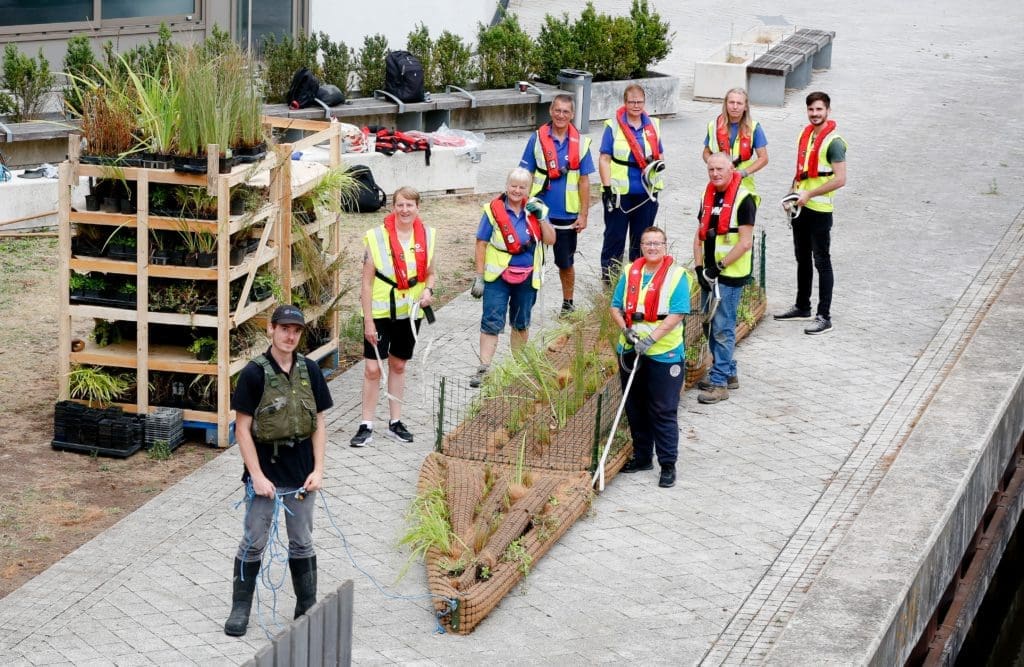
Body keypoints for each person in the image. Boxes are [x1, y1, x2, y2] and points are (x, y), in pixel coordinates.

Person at [224, 304, 334, 637]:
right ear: (271, 330)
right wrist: (255, 475)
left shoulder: (310, 370)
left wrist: (319, 469)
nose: (290, 336)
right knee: (253, 541)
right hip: (266, 472)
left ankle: (306, 604)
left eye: (296, 330)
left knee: (301, 541)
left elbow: (318, 423)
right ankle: (240, 608)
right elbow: (242, 429)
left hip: (301, 472)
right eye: (284, 328)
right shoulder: (254, 373)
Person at [350, 186, 437, 446]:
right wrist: (367, 320)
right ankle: (366, 424)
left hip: (409, 312)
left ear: (417, 208)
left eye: (410, 205)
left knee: (398, 365)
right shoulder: (377, 238)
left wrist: (429, 291)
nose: (405, 209)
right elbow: (365, 283)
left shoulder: (428, 237)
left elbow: (431, 272)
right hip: (379, 312)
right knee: (372, 367)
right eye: (400, 204)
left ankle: (395, 421)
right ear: (393, 207)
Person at [609, 226, 689, 488]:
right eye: (647, 243)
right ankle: (643, 456)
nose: (652, 247)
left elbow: (677, 314)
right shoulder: (631, 271)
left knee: (663, 409)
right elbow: (616, 306)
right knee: (634, 406)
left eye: (657, 243)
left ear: (665, 246)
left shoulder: (677, 276)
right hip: (631, 349)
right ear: (641, 246)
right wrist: (626, 330)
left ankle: (668, 464)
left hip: (663, 352)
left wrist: (651, 340)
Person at [469, 167, 556, 387]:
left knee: (521, 323)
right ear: (506, 186)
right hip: (498, 278)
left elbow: (551, 240)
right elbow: (481, 243)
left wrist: (543, 218)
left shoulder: (536, 209)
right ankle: (484, 368)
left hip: (527, 278)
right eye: (513, 186)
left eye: (522, 187)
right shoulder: (492, 210)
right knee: (491, 321)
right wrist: (479, 276)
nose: (517, 190)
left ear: (529, 189)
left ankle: (519, 369)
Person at [774, 91, 848, 335]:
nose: (815, 114)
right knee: (802, 259)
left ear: (828, 110)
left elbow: (840, 179)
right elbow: (801, 172)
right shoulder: (805, 135)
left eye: (819, 109)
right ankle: (802, 306)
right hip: (801, 208)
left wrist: (810, 195)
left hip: (819, 210)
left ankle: (824, 316)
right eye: (811, 110)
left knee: (822, 262)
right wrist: (791, 195)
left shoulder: (834, 142)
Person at [519, 93, 595, 316]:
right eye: (557, 110)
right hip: (537, 212)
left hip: (567, 215)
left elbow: (584, 180)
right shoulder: (536, 139)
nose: (561, 115)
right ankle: (526, 302)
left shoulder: (581, 143)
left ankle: (568, 303)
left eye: (566, 112)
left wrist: (584, 214)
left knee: (565, 262)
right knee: (530, 259)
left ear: (572, 115)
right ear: (551, 111)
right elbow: (525, 173)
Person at [692, 153, 757, 405]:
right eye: (711, 169)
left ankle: (719, 383)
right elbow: (698, 234)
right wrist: (699, 268)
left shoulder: (744, 199)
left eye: (720, 169)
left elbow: (745, 242)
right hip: (709, 273)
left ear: (731, 169)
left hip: (729, 275)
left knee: (722, 327)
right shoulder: (707, 195)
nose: (715, 174)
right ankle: (728, 372)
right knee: (709, 323)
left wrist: (717, 268)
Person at [598, 84, 666, 282]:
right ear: (625, 103)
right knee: (614, 239)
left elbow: (659, 155)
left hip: (646, 193)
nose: (636, 105)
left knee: (642, 240)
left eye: (639, 102)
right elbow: (604, 158)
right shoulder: (613, 126)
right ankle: (610, 283)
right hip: (619, 194)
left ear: (645, 103)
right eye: (632, 102)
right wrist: (607, 187)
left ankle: (637, 282)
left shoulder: (653, 125)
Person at [702, 87, 768, 199]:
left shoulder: (754, 128)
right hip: (719, 184)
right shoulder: (714, 126)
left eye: (739, 103)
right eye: (731, 102)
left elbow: (764, 158)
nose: (735, 106)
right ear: (726, 104)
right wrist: (715, 166)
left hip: (744, 186)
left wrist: (743, 173)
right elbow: (706, 152)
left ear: (745, 107)